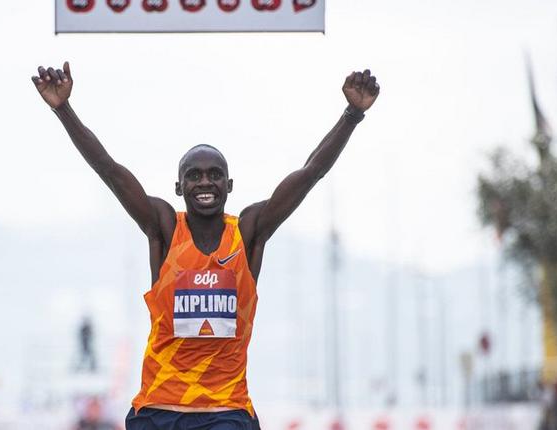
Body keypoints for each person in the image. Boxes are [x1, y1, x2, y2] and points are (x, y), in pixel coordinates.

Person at [32, 62, 379, 429]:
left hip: (225, 411)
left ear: (229, 185)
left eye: (214, 175)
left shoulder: (248, 232)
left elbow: (310, 173)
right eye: (193, 176)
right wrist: (63, 109)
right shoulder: (164, 228)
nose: (205, 183)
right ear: (179, 188)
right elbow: (109, 169)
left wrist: (352, 114)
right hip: (158, 408)